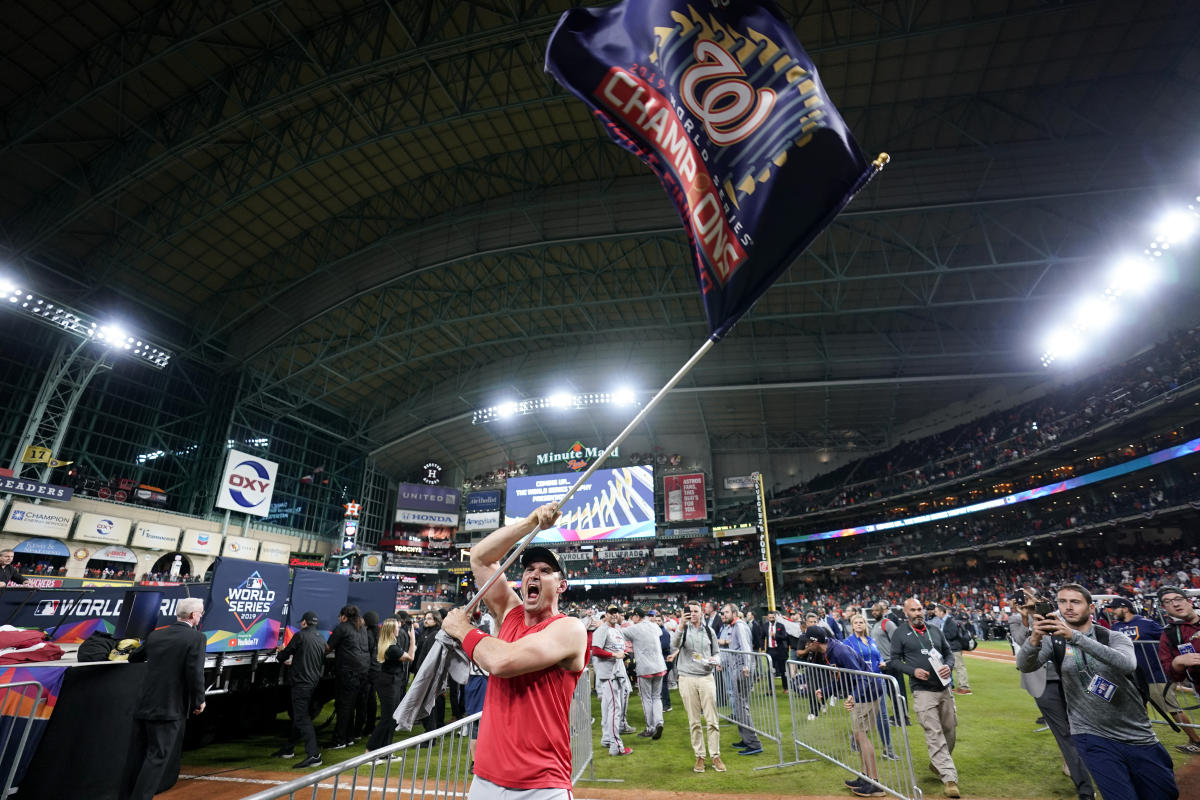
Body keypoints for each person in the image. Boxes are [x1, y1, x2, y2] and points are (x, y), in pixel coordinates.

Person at [439, 503, 587, 800]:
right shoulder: (510, 613)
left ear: (562, 586)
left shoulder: (570, 629)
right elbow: (480, 557)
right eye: (529, 569)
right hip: (486, 779)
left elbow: (501, 661)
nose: (534, 574)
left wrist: (462, 629)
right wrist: (530, 522)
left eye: (546, 571)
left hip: (541, 785)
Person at [1017, 583, 1178, 800]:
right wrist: (1034, 639)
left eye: (1075, 602)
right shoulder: (1053, 641)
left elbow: (1126, 664)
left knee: (1163, 794)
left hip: (1135, 731)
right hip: (1090, 734)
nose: (1068, 607)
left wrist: (1074, 637)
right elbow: (1026, 665)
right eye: (1063, 602)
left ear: (1091, 608)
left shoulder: (1113, 637)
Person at [1009, 589, 1094, 800]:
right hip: (1042, 681)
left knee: (1087, 728)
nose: (1028, 604)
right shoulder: (1015, 619)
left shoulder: (1059, 613)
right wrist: (1025, 617)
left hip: (1070, 676)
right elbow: (1021, 641)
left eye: (1032, 601)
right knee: (1064, 733)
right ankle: (1085, 789)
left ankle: (1087, 768)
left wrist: (1044, 611)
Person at [122, 597, 206, 800]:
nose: (201, 616)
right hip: (170, 707)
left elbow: (134, 657)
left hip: (145, 703)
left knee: (136, 755)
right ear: (194, 615)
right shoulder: (196, 638)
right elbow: (194, 672)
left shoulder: (156, 635)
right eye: (201, 613)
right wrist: (199, 700)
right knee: (157, 756)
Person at [798, 627, 885, 798]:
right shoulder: (830, 649)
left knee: (860, 735)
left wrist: (854, 696)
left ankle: (875, 783)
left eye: (809, 642)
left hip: (867, 693)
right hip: (863, 693)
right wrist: (827, 690)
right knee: (858, 735)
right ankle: (865, 777)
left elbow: (860, 676)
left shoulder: (838, 651)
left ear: (816, 642)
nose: (807, 645)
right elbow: (844, 677)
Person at [1109, 596, 1200, 754]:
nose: (1112, 612)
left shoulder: (1147, 624)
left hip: (1154, 675)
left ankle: (1196, 741)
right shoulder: (1115, 628)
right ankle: (1143, 741)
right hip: (1132, 677)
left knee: (1172, 708)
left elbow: (1169, 641)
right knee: (1137, 710)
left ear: (1124, 608)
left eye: (1114, 608)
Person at [890, 597, 960, 798]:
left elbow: (949, 654)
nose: (918, 613)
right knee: (934, 732)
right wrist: (912, 671)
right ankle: (949, 779)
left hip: (944, 689)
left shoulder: (935, 630)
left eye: (920, 609)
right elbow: (894, 661)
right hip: (922, 691)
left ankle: (938, 764)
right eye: (913, 610)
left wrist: (949, 666)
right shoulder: (900, 633)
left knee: (950, 730)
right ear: (906, 613)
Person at [671, 602, 725, 773]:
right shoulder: (683, 629)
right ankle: (699, 756)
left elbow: (716, 652)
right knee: (694, 721)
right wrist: (681, 624)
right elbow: (674, 645)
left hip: (706, 677)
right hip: (687, 678)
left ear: (702, 613)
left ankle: (715, 756)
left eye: (696, 611)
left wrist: (716, 660)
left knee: (712, 720)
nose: (692, 614)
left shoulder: (710, 631)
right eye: (689, 611)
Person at [273, 610, 327, 768]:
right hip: (312, 682)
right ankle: (288, 749)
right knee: (299, 716)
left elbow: (283, 656)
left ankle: (314, 755)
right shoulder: (321, 638)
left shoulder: (301, 636)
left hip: (301, 683)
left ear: (304, 622)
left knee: (302, 718)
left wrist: (281, 651)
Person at [845, 613, 897, 760]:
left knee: (883, 717)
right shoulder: (848, 642)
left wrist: (882, 662)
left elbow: (878, 655)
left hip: (878, 682)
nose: (859, 624)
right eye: (856, 623)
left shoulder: (871, 640)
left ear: (865, 624)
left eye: (861, 622)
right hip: (862, 684)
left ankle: (888, 749)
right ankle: (856, 738)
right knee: (863, 718)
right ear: (852, 625)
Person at [718, 603, 762, 756]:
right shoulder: (732, 626)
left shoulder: (739, 626)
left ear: (734, 613)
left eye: (726, 612)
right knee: (739, 705)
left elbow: (745, 648)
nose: (723, 615)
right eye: (722, 613)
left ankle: (754, 743)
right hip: (737, 669)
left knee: (742, 706)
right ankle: (746, 739)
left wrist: (747, 667)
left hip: (742, 670)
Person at [365, 616, 415, 751]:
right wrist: (412, 640)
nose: (399, 629)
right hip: (388, 683)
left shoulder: (392, 644)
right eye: (397, 627)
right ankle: (370, 749)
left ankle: (385, 751)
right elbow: (410, 658)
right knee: (387, 718)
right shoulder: (391, 648)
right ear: (392, 630)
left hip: (392, 682)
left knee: (392, 718)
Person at [326, 604, 370, 749]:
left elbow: (328, 648)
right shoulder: (362, 628)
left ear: (344, 616)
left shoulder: (342, 628)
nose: (339, 619)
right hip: (362, 672)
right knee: (351, 706)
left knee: (344, 706)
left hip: (348, 672)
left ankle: (339, 740)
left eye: (340, 616)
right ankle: (348, 737)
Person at [592, 604, 633, 756]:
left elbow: (619, 650)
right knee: (615, 710)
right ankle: (616, 747)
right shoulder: (602, 629)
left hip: (616, 673)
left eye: (616, 612)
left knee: (609, 708)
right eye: (611, 613)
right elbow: (596, 650)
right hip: (610, 675)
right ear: (606, 614)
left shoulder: (616, 630)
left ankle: (607, 739)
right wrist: (614, 656)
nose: (614, 615)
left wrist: (623, 656)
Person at [623, 607, 668, 740]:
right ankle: (659, 722)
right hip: (659, 666)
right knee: (656, 697)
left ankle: (650, 728)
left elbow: (620, 633)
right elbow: (659, 633)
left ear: (637, 616)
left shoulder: (634, 628)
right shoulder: (654, 626)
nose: (632, 619)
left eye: (633, 616)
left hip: (645, 668)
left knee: (647, 698)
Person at [938, 607, 971, 695]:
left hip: (954, 647)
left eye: (937, 611)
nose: (936, 614)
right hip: (950, 647)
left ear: (942, 612)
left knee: (959, 667)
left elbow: (952, 634)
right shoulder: (945, 621)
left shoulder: (951, 621)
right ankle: (956, 686)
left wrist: (940, 635)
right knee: (951, 667)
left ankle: (965, 687)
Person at [763, 610, 790, 692]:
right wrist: (763, 648)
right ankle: (770, 689)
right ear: (767, 617)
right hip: (770, 651)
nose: (771, 618)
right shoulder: (765, 626)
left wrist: (776, 635)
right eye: (770, 617)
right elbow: (761, 637)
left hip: (780, 650)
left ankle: (786, 688)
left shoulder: (781, 625)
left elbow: (785, 636)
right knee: (770, 670)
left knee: (782, 670)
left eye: (773, 617)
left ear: (775, 617)